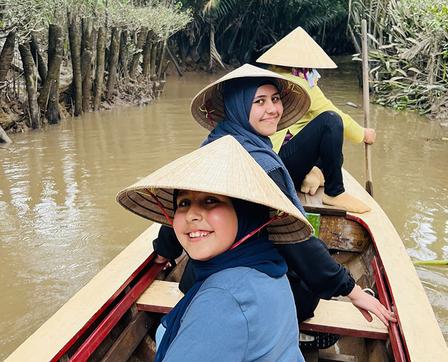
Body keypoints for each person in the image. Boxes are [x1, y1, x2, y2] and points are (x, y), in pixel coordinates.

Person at [186, 64, 396, 337]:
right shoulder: (264, 167)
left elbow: (177, 211)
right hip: (245, 288)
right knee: (307, 290)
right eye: (259, 101)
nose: (273, 109)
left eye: (275, 99)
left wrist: (163, 252)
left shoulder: (210, 145)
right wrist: (351, 289)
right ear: (237, 106)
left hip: (195, 279)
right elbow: (295, 241)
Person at [116, 136, 313, 361]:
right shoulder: (268, 265)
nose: (191, 215)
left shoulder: (222, 301)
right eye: (183, 203)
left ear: (245, 212)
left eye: (210, 201)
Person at [256, 26, 376, 213]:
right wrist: (364, 134)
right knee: (331, 121)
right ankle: (334, 192)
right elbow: (334, 114)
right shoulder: (300, 84)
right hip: (278, 165)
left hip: (272, 161)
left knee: (331, 148)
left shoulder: (270, 77)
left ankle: (315, 174)